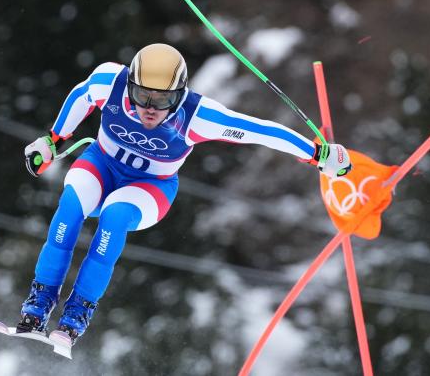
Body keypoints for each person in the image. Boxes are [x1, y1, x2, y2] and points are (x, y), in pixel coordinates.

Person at [18, 43, 352, 344]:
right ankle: (38, 305)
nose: (149, 108)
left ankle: (75, 316)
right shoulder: (111, 81)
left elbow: (259, 131)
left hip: (148, 187)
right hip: (101, 166)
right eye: (142, 96)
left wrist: (317, 154)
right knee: (70, 208)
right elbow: (82, 95)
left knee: (114, 218)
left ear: (178, 95)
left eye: (162, 100)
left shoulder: (198, 116)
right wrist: (52, 140)